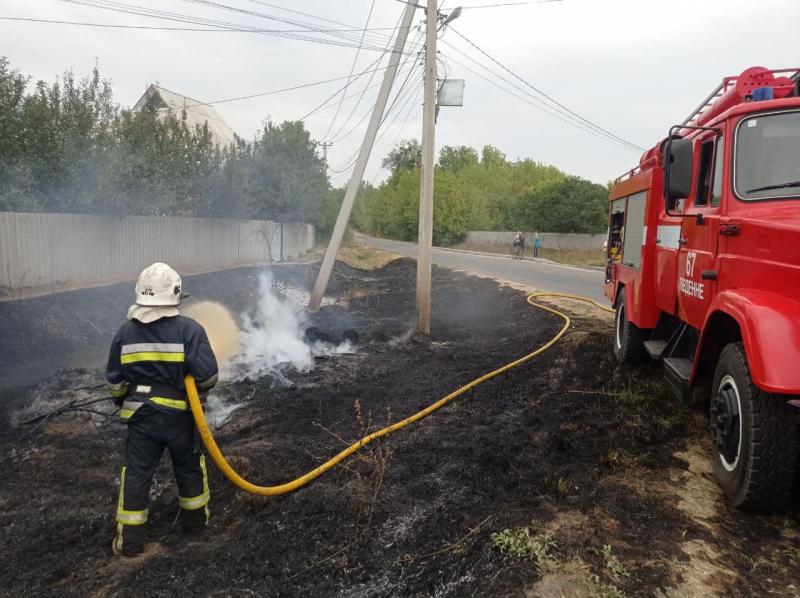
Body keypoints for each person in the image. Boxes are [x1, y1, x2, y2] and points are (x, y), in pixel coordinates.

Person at [106, 262, 219, 557]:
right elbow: (208, 377)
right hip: (180, 416)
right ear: (176, 296)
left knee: (137, 474)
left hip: (141, 418)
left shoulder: (124, 333)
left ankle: (130, 543)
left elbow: (115, 383)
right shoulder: (189, 330)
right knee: (188, 468)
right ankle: (195, 529)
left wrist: (126, 399)